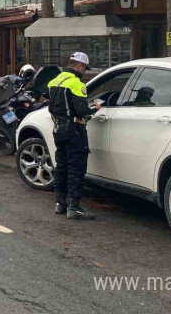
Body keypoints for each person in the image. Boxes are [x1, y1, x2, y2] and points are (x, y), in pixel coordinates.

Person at [47, 52, 101, 220]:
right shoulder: (76, 84)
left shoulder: (54, 81)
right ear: (79, 66)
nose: (84, 72)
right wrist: (95, 108)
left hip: (58, 129)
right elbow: (82, 110)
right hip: (74, 130)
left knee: (61, 166)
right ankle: (74, 207)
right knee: (76, 168)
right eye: (84, 68)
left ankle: (60, 204)